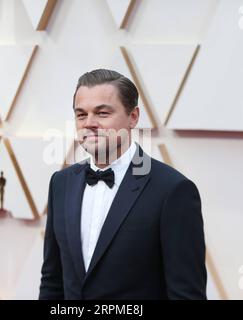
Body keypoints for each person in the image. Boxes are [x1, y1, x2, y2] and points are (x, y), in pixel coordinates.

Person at [39, 69, 206, 299]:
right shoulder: (60, 183)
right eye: (81, 115)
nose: (89, 123)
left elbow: (186, 295)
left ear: (133, 117)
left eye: (102, 113)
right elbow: (52, 282)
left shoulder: (173, 190)